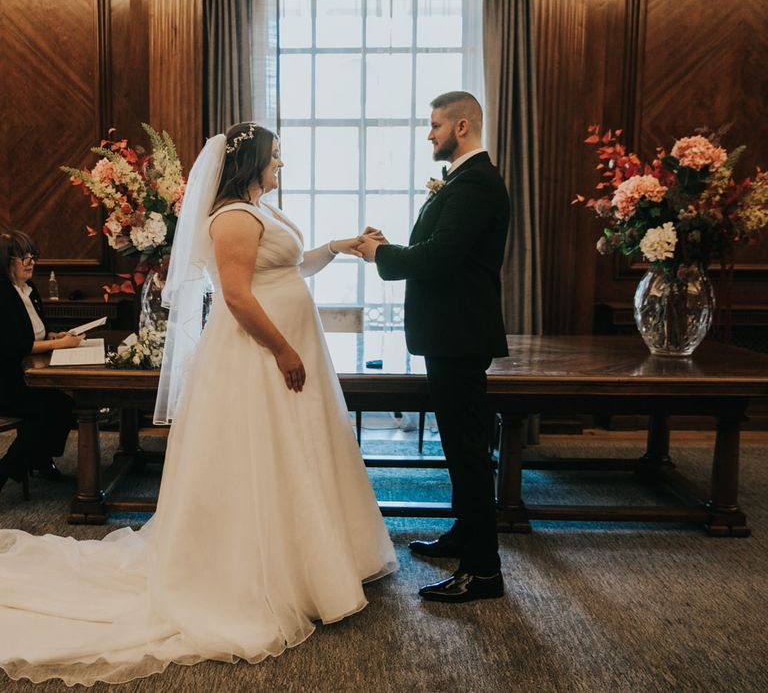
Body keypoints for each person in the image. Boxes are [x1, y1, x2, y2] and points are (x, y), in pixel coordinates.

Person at [0, 123, 396, 686]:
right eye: (275, 157)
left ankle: (317, 556)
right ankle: (262, 568)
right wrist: (282, 347)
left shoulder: (263, 211)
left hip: (286, 347)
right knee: (261, 453)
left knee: (299, 451)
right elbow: (236, 296)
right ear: (252, 161)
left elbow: (291, 267)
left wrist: (338, 247)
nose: (281, 164)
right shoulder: (232, 217)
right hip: (258, 355)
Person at [355, 91, 510, 603]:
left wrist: (382, 253)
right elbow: (444, 252)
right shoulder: (465, 181)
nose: (429, 135)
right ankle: (464, 535)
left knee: (467, 453)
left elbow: (440, 259)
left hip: (459, 336)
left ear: (461, 125)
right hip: (452, 334)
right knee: (458, 448)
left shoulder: (475, 183)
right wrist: (390, 249)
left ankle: (484, 572)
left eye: (435, 125)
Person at [0, 231, 83, 492]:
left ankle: (39, 458)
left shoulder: (31, 289)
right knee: (44, 411)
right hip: (7, 379)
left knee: (66, 406)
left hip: (29, 375)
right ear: (5, 260)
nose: (30, 261)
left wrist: (53, 335)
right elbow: (15, 345)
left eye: (32, 255)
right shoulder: (3, 293)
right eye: (23, 256)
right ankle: (8, 469)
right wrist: (58, 345)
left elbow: (36, 331)